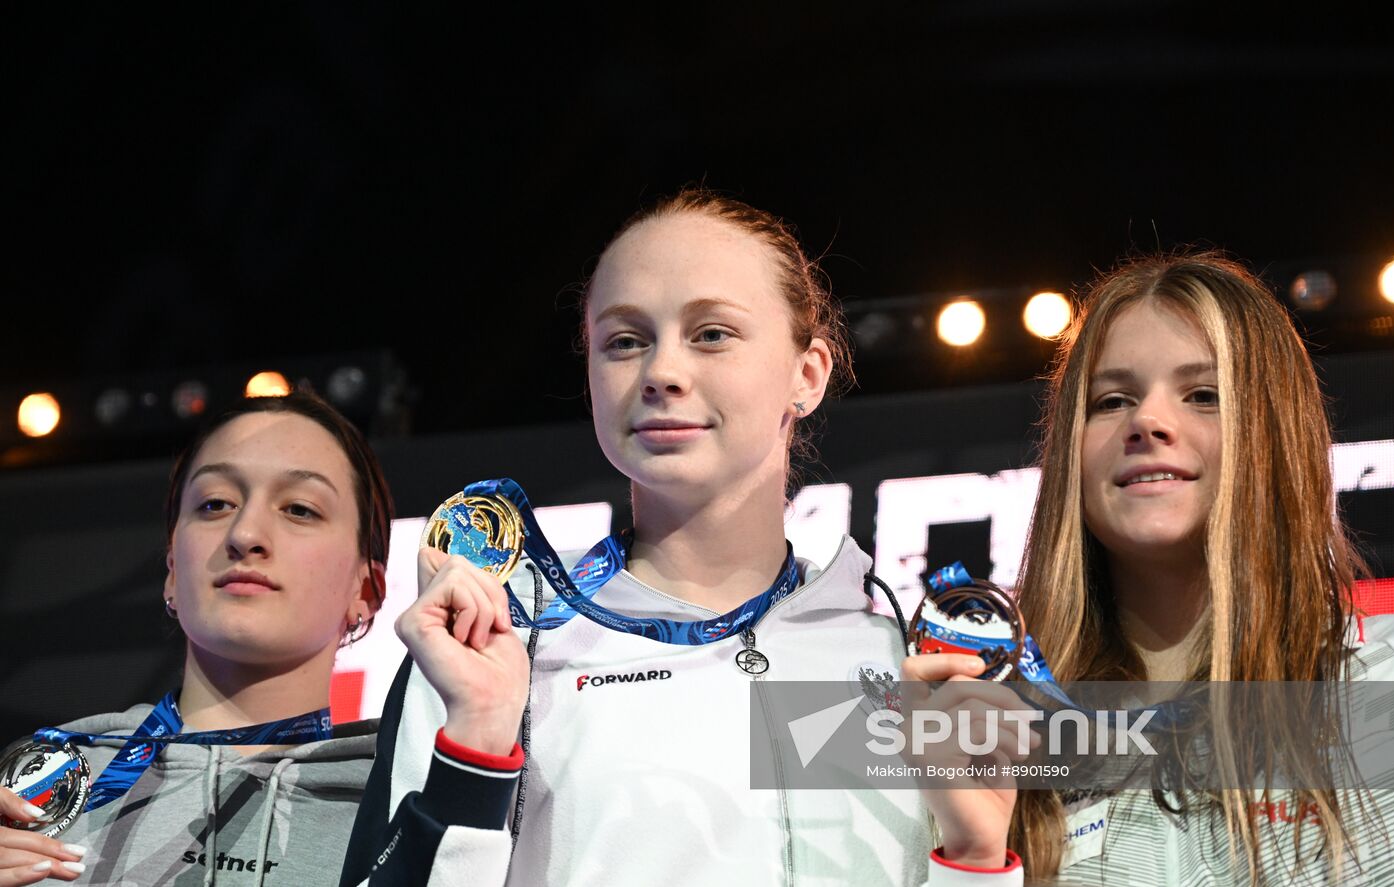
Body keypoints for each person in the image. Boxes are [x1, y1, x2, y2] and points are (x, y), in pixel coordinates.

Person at [341, 189, 951, 887]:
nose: (661, 373)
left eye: (712, 333)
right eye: (625, 341)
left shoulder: (889, 649)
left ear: (806, 374)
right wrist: (476, 742)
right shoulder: (497, 631)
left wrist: (976, 861)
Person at [904, 252, 1394, 884]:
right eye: (1112, 400)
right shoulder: (994, 731)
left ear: (1275, 433)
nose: (1148, 422)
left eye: (1203, 395)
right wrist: (975, 860)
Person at [0, 389, 393, 886]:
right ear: (170, 572)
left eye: (299, 509)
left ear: (367, 590)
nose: (245, 532)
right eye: (215, 503)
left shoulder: (401, 807)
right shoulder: (47, 783)